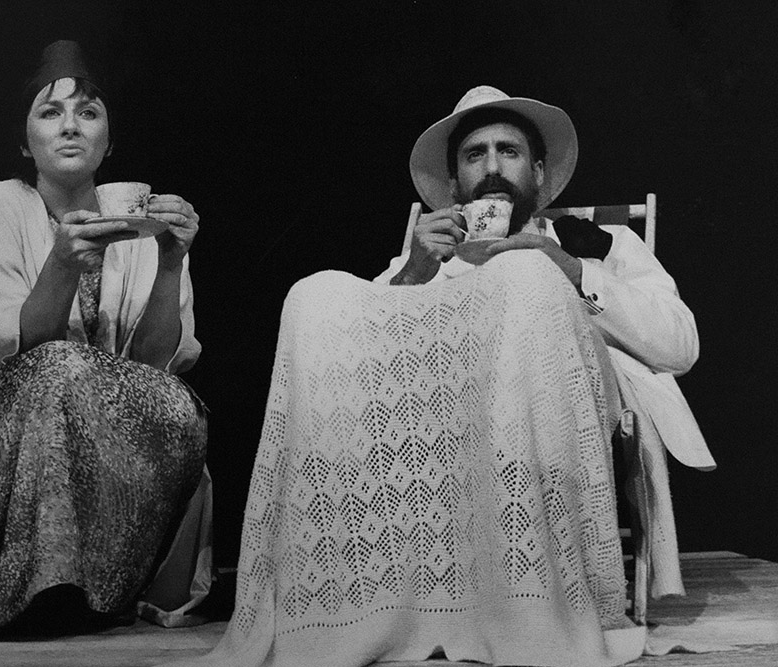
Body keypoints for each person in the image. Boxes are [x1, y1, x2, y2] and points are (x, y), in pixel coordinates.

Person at [166, 86, 713, 667]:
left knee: (526, 274)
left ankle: (527, 604)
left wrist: (571, 273)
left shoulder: (596, 245)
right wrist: (412, 275)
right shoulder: (428, 257)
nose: (494, 167)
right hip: (442, 425)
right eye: (475, 155)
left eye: (509, 151)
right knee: (316, 295)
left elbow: (680, 344)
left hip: (562, 406)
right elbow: (355, 365)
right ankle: (366, 603)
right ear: (455, 184)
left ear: (539, 170)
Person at [0, 39, 212, 639]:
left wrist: (170, 261)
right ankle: (38, 593)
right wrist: (64, 264)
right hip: (9, 421)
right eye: (51, 113)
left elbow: (154, 367)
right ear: (26, 143)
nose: (70, 126)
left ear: (109, 141)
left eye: (88, 113)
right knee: (63, 367)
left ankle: (113, 591)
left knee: (180, 406)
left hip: (112, 435)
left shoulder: (139, 217)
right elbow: (24, 348)